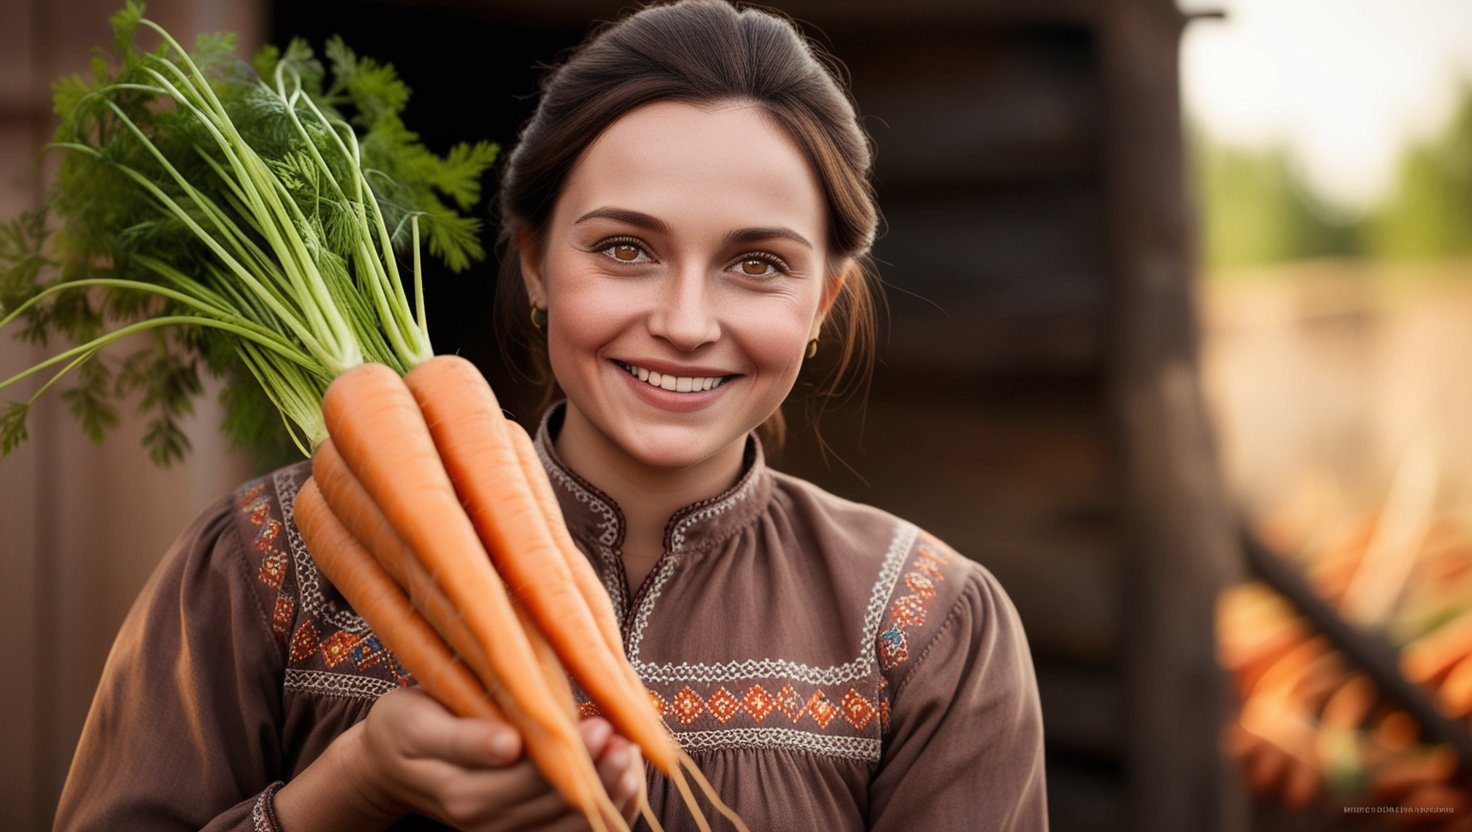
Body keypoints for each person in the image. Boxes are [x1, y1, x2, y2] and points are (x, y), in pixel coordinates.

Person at [54, 1, 1049, 829]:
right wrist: (348, 788)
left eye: (757, 264)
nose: (684, 322)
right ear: (534, 263)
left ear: (822, 303)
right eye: (624, 249)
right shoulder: (264, 566)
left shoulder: (930, 629)